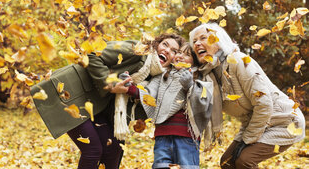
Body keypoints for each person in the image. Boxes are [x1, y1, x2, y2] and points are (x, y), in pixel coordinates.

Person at [31, 33, 185, 169]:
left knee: (114, 148)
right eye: (165, 44)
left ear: (175, 59)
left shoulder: (154, 76)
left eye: (174, 51)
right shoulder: (136, 50)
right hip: (69, 93)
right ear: (155, 44)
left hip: (92, 105)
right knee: (93, 150)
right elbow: (92, 53)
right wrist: (111, 85)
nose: (167, 51)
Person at [188, 22, 305, 169]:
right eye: (194, 41)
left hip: (285, 122)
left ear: (218, 42)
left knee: (244, 161)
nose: (197, 43)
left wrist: (247, 140)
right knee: (227, 162)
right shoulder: (208, 77)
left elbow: (264, 104)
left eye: (203, 38)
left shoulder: (237, 60)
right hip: (257, 123)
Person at [113, 42, 214, 169]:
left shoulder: (199, 77)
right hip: (162, 134)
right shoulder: (163, 76)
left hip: (186, 137)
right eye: (179, 52)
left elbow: (202, 103)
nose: (180, 56)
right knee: (160, 166)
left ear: (194, 62)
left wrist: (190, 86)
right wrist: (128, 85)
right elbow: (148, 95)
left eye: (187, 55)